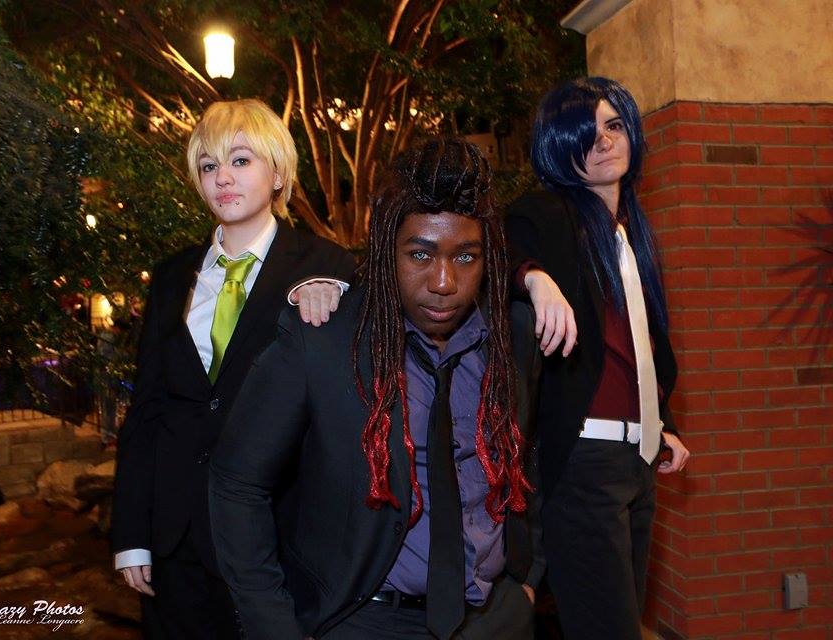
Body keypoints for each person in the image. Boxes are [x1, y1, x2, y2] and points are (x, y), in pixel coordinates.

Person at [210, 138, 544, 640]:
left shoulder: (513, 336)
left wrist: (529, 577)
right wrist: (274, 626)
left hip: (495, 618)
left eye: (465, 257)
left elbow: (531, 454)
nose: (443, 281)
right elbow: (237, 482)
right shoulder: (323, 339)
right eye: (420, 254)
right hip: (364, 620)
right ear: (389, 249)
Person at [110, 98, 356, 639]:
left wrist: (530, 279)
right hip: (175, 540)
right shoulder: (171, 276)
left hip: (280, 537)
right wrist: (131, 536)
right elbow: (147, 409)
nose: (222, 178)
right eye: (209, 165)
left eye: (241, 160)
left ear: (279, 173)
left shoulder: (329, 268)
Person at [505, 77, 690, 640]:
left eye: (613, 125)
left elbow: (637, 344)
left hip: (639, 459)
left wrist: (662, 422)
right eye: (585, 132)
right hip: (585, 460)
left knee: (620, 622)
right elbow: (491, 246)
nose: (604, 141)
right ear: (559, 146)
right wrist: (533, 278)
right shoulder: (547, 212)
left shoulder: (631, 233)